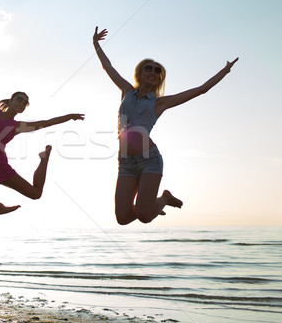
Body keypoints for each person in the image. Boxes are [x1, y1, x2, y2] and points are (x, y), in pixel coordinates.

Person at [92, 26, 238, 225]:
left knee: (144, 216)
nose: (153, 72)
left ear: (160, 78)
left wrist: (225, 71)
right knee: (123, 218)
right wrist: (96, 44)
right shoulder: (126, 90)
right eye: (149, 68)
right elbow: (107, 67)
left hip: (149, 160)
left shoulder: (159, 103)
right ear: (139, 73)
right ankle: (154, 205)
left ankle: (163, 199)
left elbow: (202, 89)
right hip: (126, 162)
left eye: (158, 71)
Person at [0, 45, 84, 223]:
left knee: (35, 193)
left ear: (23, 109)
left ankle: (44, 159)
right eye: (19, 99)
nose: (21, 103)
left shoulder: (17, 126)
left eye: (24, 103)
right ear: (11, 100)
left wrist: (69, 117)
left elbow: (44, 123)